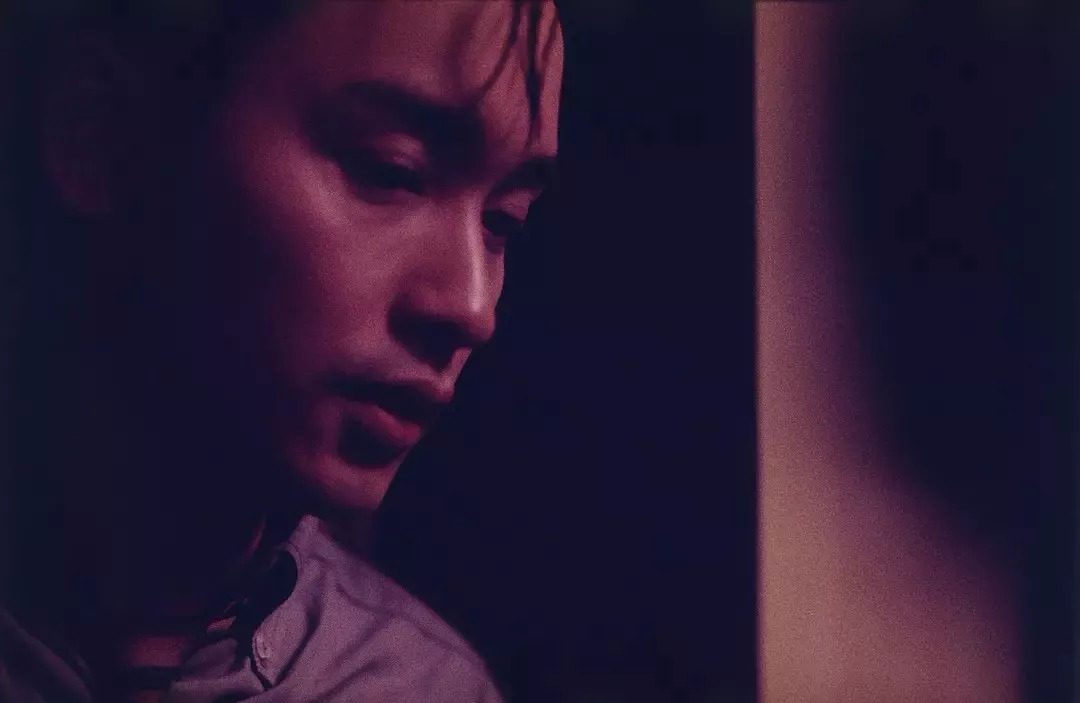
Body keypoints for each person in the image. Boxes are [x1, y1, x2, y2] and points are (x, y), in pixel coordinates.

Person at [2, 0, 562, 700]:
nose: (472, 307)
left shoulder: (423, 686)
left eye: (505, 220)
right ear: (102, 134)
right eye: (390, 169)